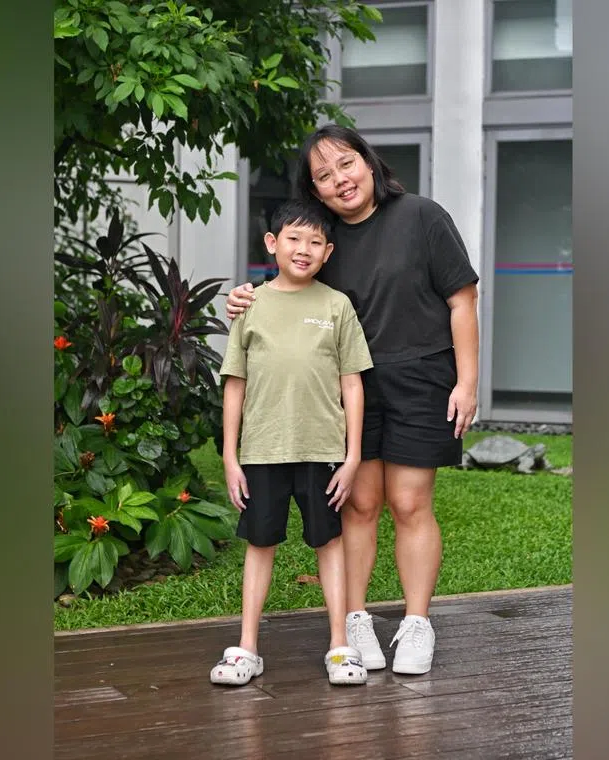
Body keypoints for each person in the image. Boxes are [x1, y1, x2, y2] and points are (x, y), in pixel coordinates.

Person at [225, 125, 480, 675]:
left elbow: (463, 300)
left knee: (410, 503)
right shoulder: (323, 239)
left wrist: (467, 381)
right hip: (348, 387)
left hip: (422, 377)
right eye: (323, 176)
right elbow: (288, 287)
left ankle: (416, 623)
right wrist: (245, 295)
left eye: (346, 164)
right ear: (313, 191)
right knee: (359, 504)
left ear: (367, 162)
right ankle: (356, 617)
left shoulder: (422, 217)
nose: (339, 180)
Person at [210, 199, 373, 687]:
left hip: (323, 450)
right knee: (260, 544)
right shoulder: (251, 305)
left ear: (328, 252)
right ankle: (247, 648)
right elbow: (234, 382)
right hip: (262, 451)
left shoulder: (336, 305)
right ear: (272, 244)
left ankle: (340, 647)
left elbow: (352, 383)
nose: (304, 249)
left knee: (329, 542)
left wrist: (353, 456)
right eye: (294, 239)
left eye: (315, 242)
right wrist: (229, 455)